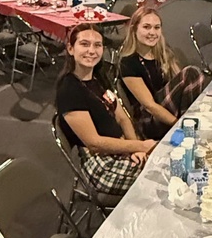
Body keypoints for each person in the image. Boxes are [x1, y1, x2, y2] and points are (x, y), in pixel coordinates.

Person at [56, 23, 156, 196]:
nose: (91, 51)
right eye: (84, 44)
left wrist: (137, 149)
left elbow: (122, 118)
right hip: (100, 163)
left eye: (97, 45)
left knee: (165, 161)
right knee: (159, 176)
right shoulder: (69, 89)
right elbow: (94, 143)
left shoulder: (99, 78)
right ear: (71, 49)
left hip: (119, 146)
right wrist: (140, 145)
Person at [119, 5, 210, 140]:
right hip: (148, 119)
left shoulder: (162, 52)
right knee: (191, 73)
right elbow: (149, 106)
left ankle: (192, 123)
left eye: (157, 27)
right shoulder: (128, 62)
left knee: (193, 77)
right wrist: (179, 125)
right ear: (134, 29)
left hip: (169, 108)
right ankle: (190, 127)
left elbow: (180, 84)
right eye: (146, 27)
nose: (152, 32)